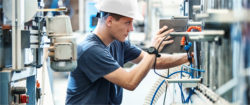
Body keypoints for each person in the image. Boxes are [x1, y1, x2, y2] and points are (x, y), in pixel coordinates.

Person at [66, 0, 189, 104]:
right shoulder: (90, 49)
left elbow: (153, 61)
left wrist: (188, 57)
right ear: (109, 21)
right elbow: (130, 82)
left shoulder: (118, 42)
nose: (131, 28)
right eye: (128, 22)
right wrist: (153, 49)